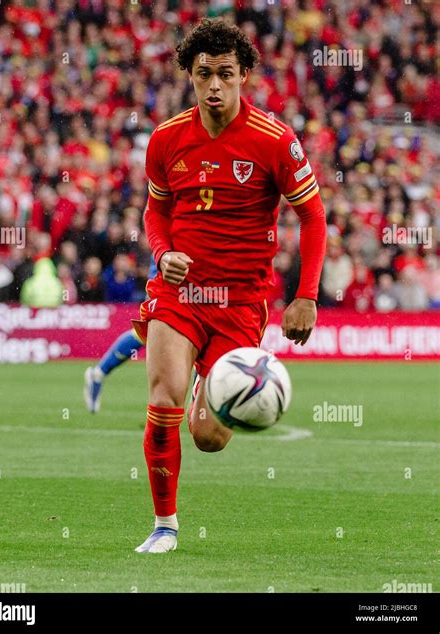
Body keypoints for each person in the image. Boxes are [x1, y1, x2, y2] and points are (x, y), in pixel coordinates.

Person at [131, 18, 326, 553]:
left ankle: (207, 388)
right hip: (181, 292)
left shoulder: (274, 140)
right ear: (189, 77)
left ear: (243, 76)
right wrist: (164, 252)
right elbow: (156, 210)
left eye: (224, 74)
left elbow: (313, 217)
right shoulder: (166, 139)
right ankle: (165, 526)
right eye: (203, 75)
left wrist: (306, 294)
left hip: (241, 300)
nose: (213, 85)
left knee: (210, 438)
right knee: (162, 398)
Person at [83, 257, 157, 413]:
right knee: (150, 332)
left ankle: (98, 373)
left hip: (198, 281)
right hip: (168, 279)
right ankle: (98, 373)